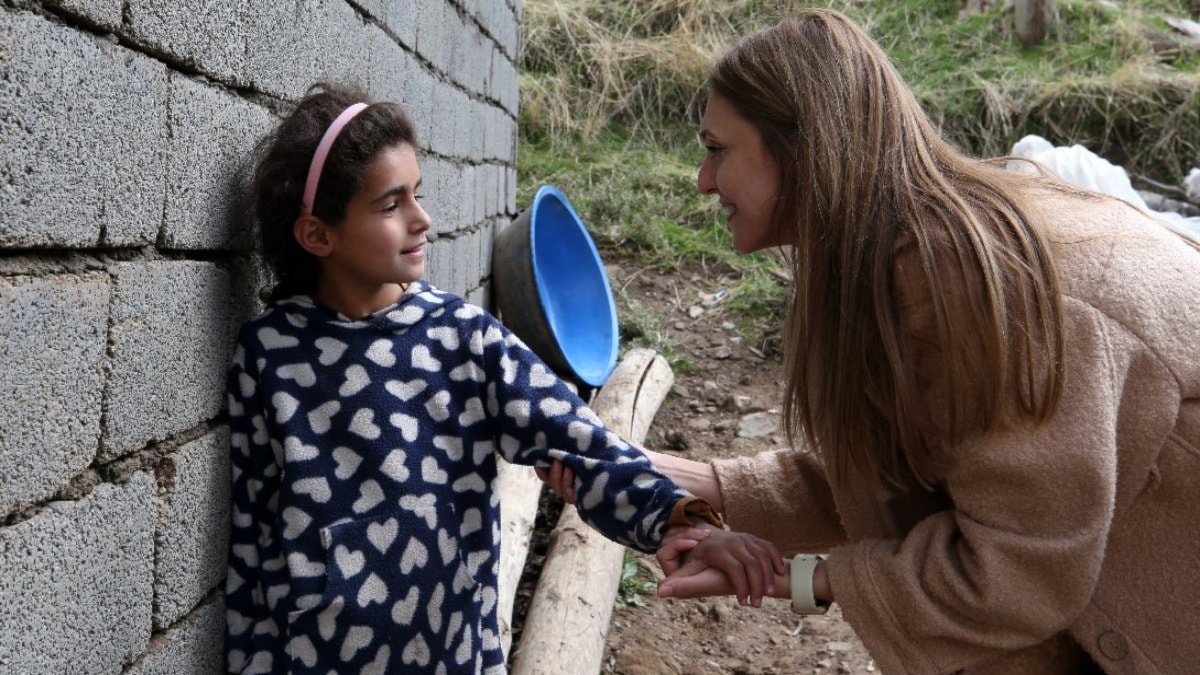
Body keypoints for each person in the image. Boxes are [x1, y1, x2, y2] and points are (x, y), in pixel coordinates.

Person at [539, 9, 1200, 675]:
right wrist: (702, 482)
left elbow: (1016, 569)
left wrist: (803, 578)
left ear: (802, 147)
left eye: (718, 150)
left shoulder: (965, 284)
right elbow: (895, 473)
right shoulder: (893, 263)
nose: (703, 181)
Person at [222, 83, 782, 675]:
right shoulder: (270, 356)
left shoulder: (463, 338)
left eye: (418, 194)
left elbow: (580, 441)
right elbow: (253, 550)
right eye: (391, 205)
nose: (422, 219)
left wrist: (680, 520)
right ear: (318, 236)